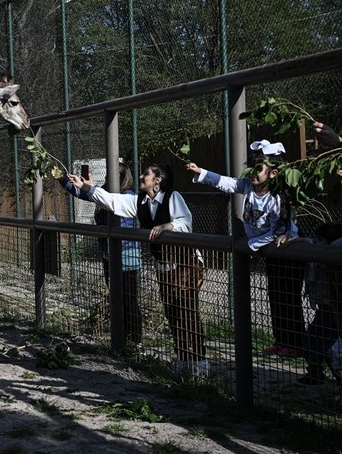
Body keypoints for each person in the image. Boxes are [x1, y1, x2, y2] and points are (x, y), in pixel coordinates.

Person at [65, 163, 207, 377]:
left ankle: (200, 363)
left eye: (147, 174)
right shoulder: (139, 201)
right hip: (164, 265)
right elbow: (113, 201)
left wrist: (166, 226)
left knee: (187, 312)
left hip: (185, 264)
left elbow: (185, 222)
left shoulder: (172, 197)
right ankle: (183, 359)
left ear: (158, 179)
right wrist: (87, 188)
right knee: (171, 312)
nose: (141, 176)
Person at [186, 139, 305, 357]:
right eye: (251, 167)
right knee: (274, 295)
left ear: (273, 173)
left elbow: (277, 231)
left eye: (258, 169)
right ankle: (281, 340)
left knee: (289, 297)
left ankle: (296, 343)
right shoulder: (248, 186)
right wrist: (201, 171)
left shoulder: (276, 198)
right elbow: (226, 182)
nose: (252, 172)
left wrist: (250, 245)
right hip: (268, 250)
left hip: (287, 250)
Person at [58, 163, 143, 345]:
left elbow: (111, 205)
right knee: (116, 297)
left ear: (121, 178)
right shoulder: (105, 192)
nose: (108, 180)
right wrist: (62, 178)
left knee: (128, 299)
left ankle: (135, 340)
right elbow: (83, 193)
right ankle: (122, 337)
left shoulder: (128, 196)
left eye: (111, 177)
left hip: (126, 255)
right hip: (108, 255)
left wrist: (93, 189)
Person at [299, 222, 342, 385]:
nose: (315, 242)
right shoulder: (318, 254)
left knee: (319, 341)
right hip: (326, 306)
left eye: (319, 239)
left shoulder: (332, 254)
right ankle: (317, 372)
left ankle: (319, 373)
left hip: (333, 307)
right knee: (319, 340)